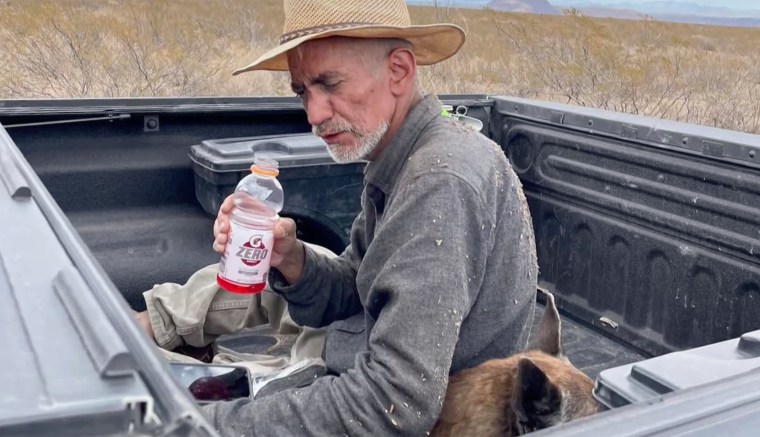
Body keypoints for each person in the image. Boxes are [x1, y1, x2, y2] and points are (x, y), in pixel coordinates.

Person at [134, 0, 538, 435]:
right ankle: (139, 333)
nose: (314, 114)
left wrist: (196, 425)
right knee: (236, 281)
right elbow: (357, 286)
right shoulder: (400, 154)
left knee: (144, 408)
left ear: (399, 71)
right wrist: (291, 258)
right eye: (303, 91)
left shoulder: (439, 181)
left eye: (330, 84)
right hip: (360, 351)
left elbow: (391, 403)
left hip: (409, 407)